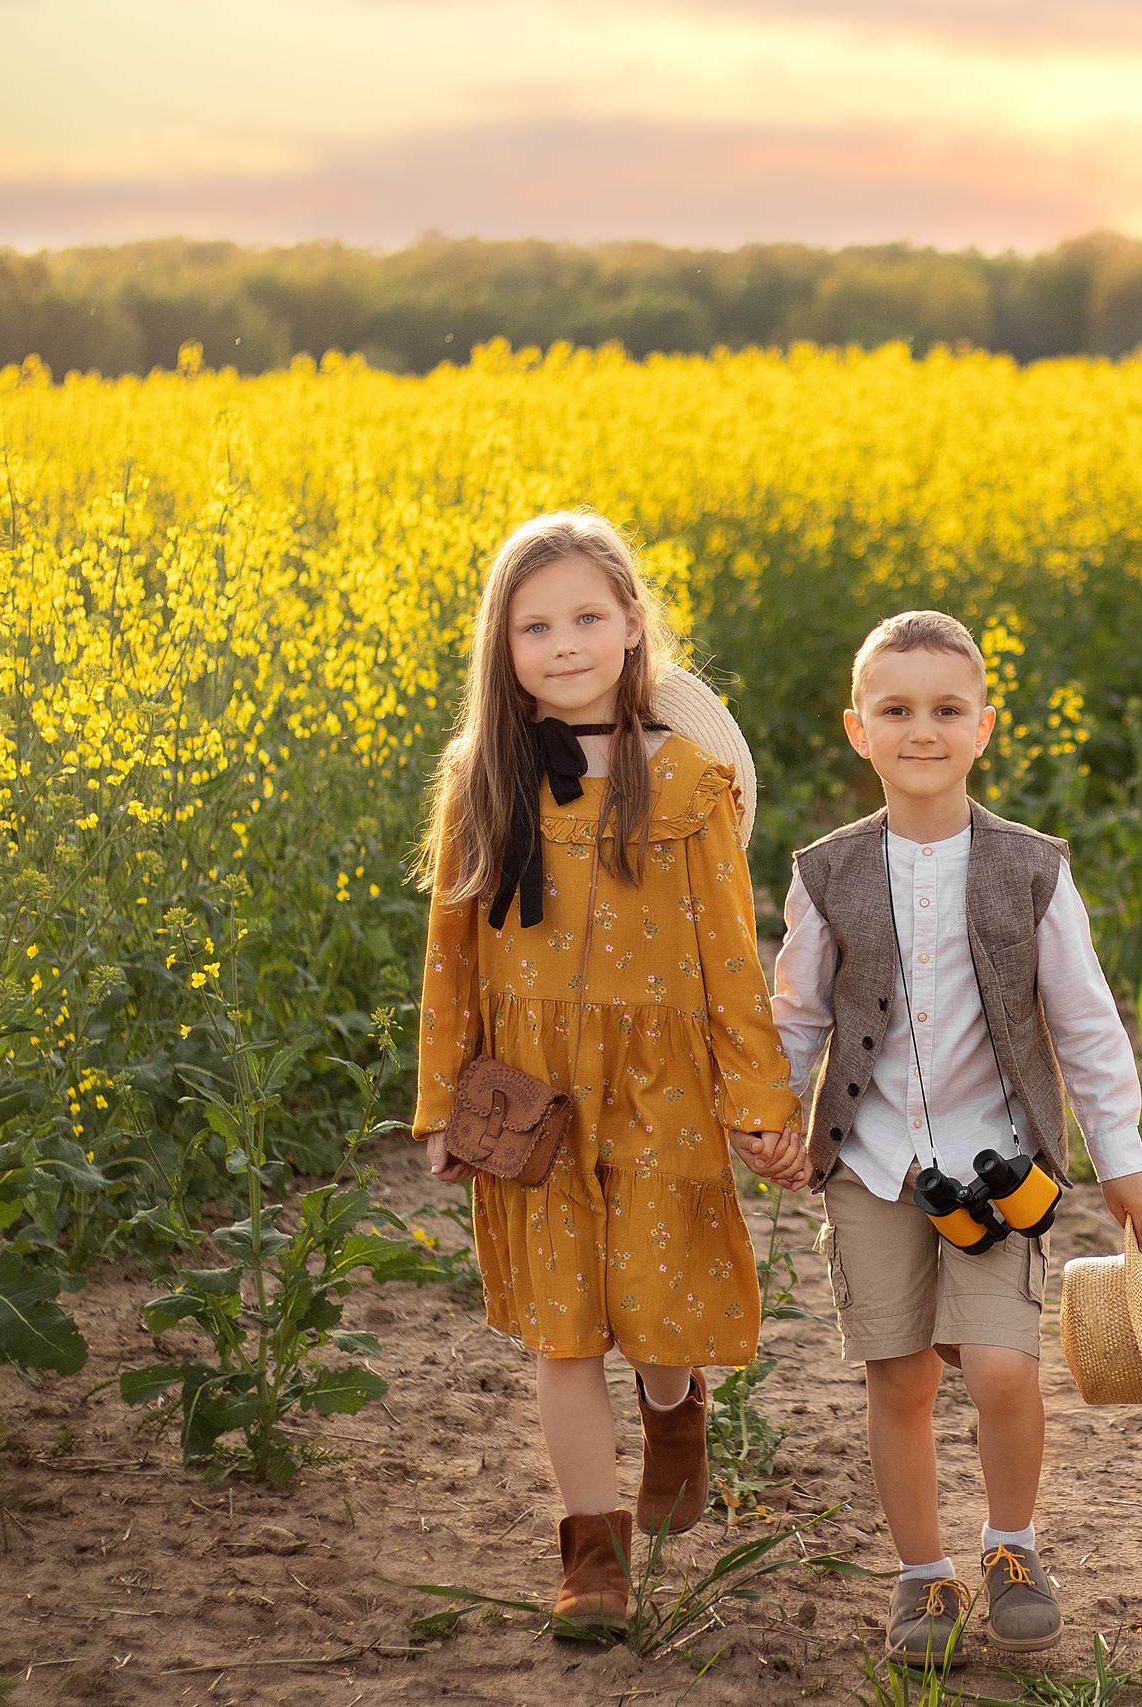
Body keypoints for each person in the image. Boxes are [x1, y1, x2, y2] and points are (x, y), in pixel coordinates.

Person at [407, 510, 811, 1631]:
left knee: (656, 1306)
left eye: (589, 616)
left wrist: (761, 1101)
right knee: (563, 1326)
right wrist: (444, 1099)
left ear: (634, 629)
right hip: (534, 1091)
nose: (565, 643)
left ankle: (674, 1402)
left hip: (661, 1083)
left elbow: (732, 958)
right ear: (504, 646)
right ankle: (593, 1558)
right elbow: (450, 956)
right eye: (536, 625)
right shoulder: (481, 779)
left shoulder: (683, 780)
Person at [771, 610, 1142, 1666]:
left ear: (984, 727)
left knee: (1000, 1369)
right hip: (869, 1162)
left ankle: (1012, 1547)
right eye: (896, 710)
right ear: (857, 729)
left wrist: (1119, 1156)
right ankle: (921, 1579)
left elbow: (1085, 1020)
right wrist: (769, 1113)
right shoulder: (827, 872)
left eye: (947, 709)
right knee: (899, 1379)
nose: (922, 730)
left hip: (997, 1166)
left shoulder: (1030, 869)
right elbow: (796, 1015)